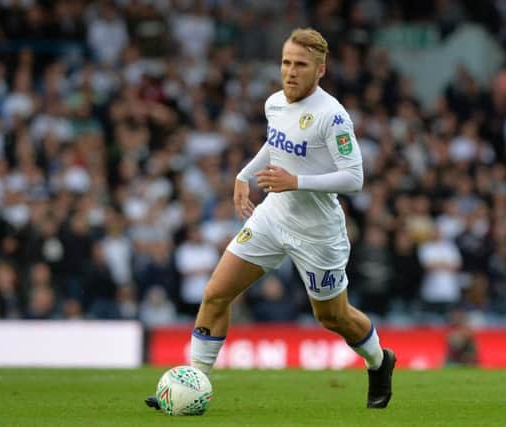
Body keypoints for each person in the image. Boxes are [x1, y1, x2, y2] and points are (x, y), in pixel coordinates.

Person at [146, 27, 396, 410]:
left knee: (332, 316)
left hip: (318, 233)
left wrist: (296, 180)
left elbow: (354, 178)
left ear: (320, 70)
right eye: (285, 62)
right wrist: (244, 174)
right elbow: (275, 143)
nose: (290, 72)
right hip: (273, 216)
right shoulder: (275, 103)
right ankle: (191, 383)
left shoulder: (333, 116)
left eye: (300, 65)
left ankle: (380, 361)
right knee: (216, 293)